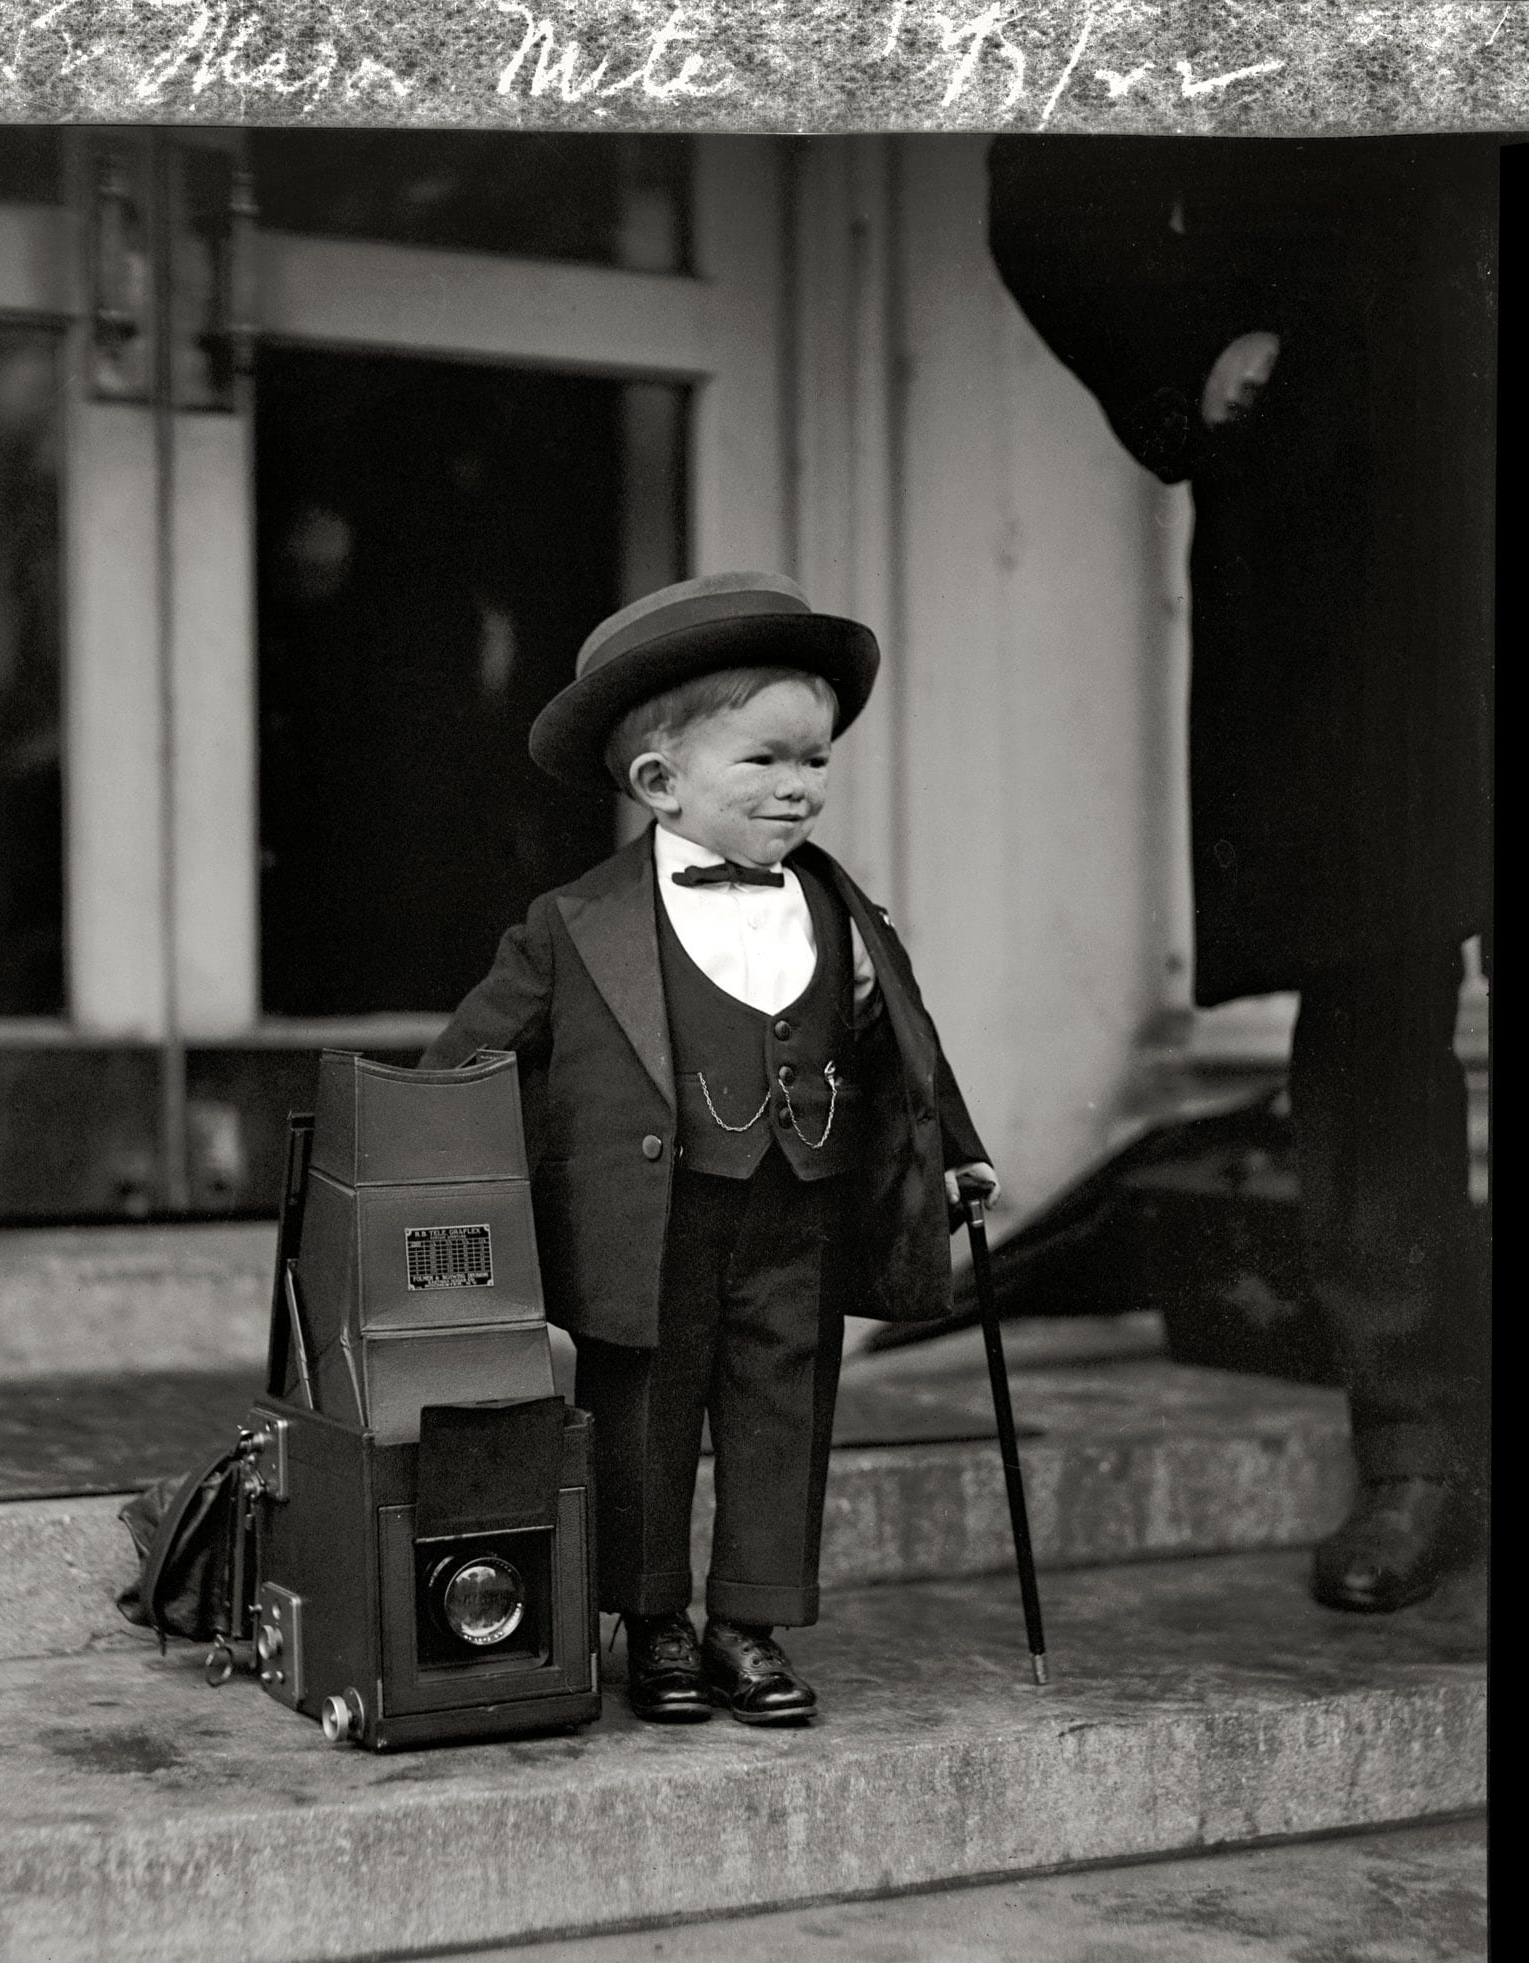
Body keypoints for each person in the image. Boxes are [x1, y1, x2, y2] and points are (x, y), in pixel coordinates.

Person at [986, 136, 1494, 1613]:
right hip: (1351, 502)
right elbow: (1049, 179)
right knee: (1376, 979)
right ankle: (1419, 1449)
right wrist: (1183, 354)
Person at [421, 571, 998, 1722]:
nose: (801, 791)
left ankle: (749, 1624)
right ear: (657, 781)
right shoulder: (571, 924)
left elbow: (905, 1045)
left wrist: (956, 1152)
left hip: (802, 1203)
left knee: (783, 1405)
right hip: (650, 1220)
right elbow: (469, 1059)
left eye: (816, 763)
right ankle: (656, 1625)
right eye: (767, 761)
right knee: (644, 1414)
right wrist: (421, 1168)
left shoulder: (839, 909)